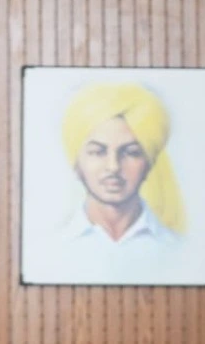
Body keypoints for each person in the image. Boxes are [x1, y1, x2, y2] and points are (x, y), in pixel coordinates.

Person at [58, 81, 185, 255]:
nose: (113, 167)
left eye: (131, 153)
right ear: (77, 163)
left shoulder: (178, 248)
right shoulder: (51, 247)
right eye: (98, 152)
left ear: (149, 163)